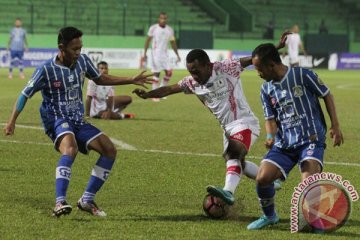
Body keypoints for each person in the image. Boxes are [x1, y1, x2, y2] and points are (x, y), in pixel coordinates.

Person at [3, 26, 152, 218]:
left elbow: (101, 78)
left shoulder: (82, 61)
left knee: (109, 150)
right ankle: (59, 203)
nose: (78, 52)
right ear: (61, 47)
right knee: (70, 148)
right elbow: (24, 95)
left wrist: (131, 79)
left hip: (77, 119)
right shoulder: (46, 70)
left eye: (80, 48)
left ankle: (87, 200)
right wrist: (11, 121)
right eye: (75, 49)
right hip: (56, 118)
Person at [133, 33, 289, 206]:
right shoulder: (192, 83)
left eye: (196, 71)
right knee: (238, 163)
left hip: (245, 122)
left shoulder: (226, 67)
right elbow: (169, 89)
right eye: (191, 72)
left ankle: (228, 192)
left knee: (233, 154)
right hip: (228, 129)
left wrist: (277, 47)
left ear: (208, 65)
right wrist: (148, 95)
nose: (194, 76)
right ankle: (270, 180)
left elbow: (254, 59)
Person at [247, 43, 344, 230]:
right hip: (284, 144)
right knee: (262, 178)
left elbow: (327, 95)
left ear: (271, 65)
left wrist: (335, 126)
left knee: (308, 184)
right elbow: (270, 118)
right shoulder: (265, 89)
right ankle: (270, 216)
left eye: (259, 69)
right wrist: (270, 136)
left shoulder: (303, 75)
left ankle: (316, 220)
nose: (258, 73)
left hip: (311, 140)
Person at [143, 12, 181, 102]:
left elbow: (173, 43)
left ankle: (161, 91)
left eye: (165, 18)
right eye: (162, 18)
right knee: (157, 74)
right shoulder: (153, 28)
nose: (163, 20)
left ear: (167, 19)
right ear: (158, 19)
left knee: (169, 73)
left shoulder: (170, 30)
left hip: (165, 54)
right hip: (155, 53)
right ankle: (154, 94)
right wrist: (145, 53)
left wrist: (177, 55)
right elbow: (148, 41)